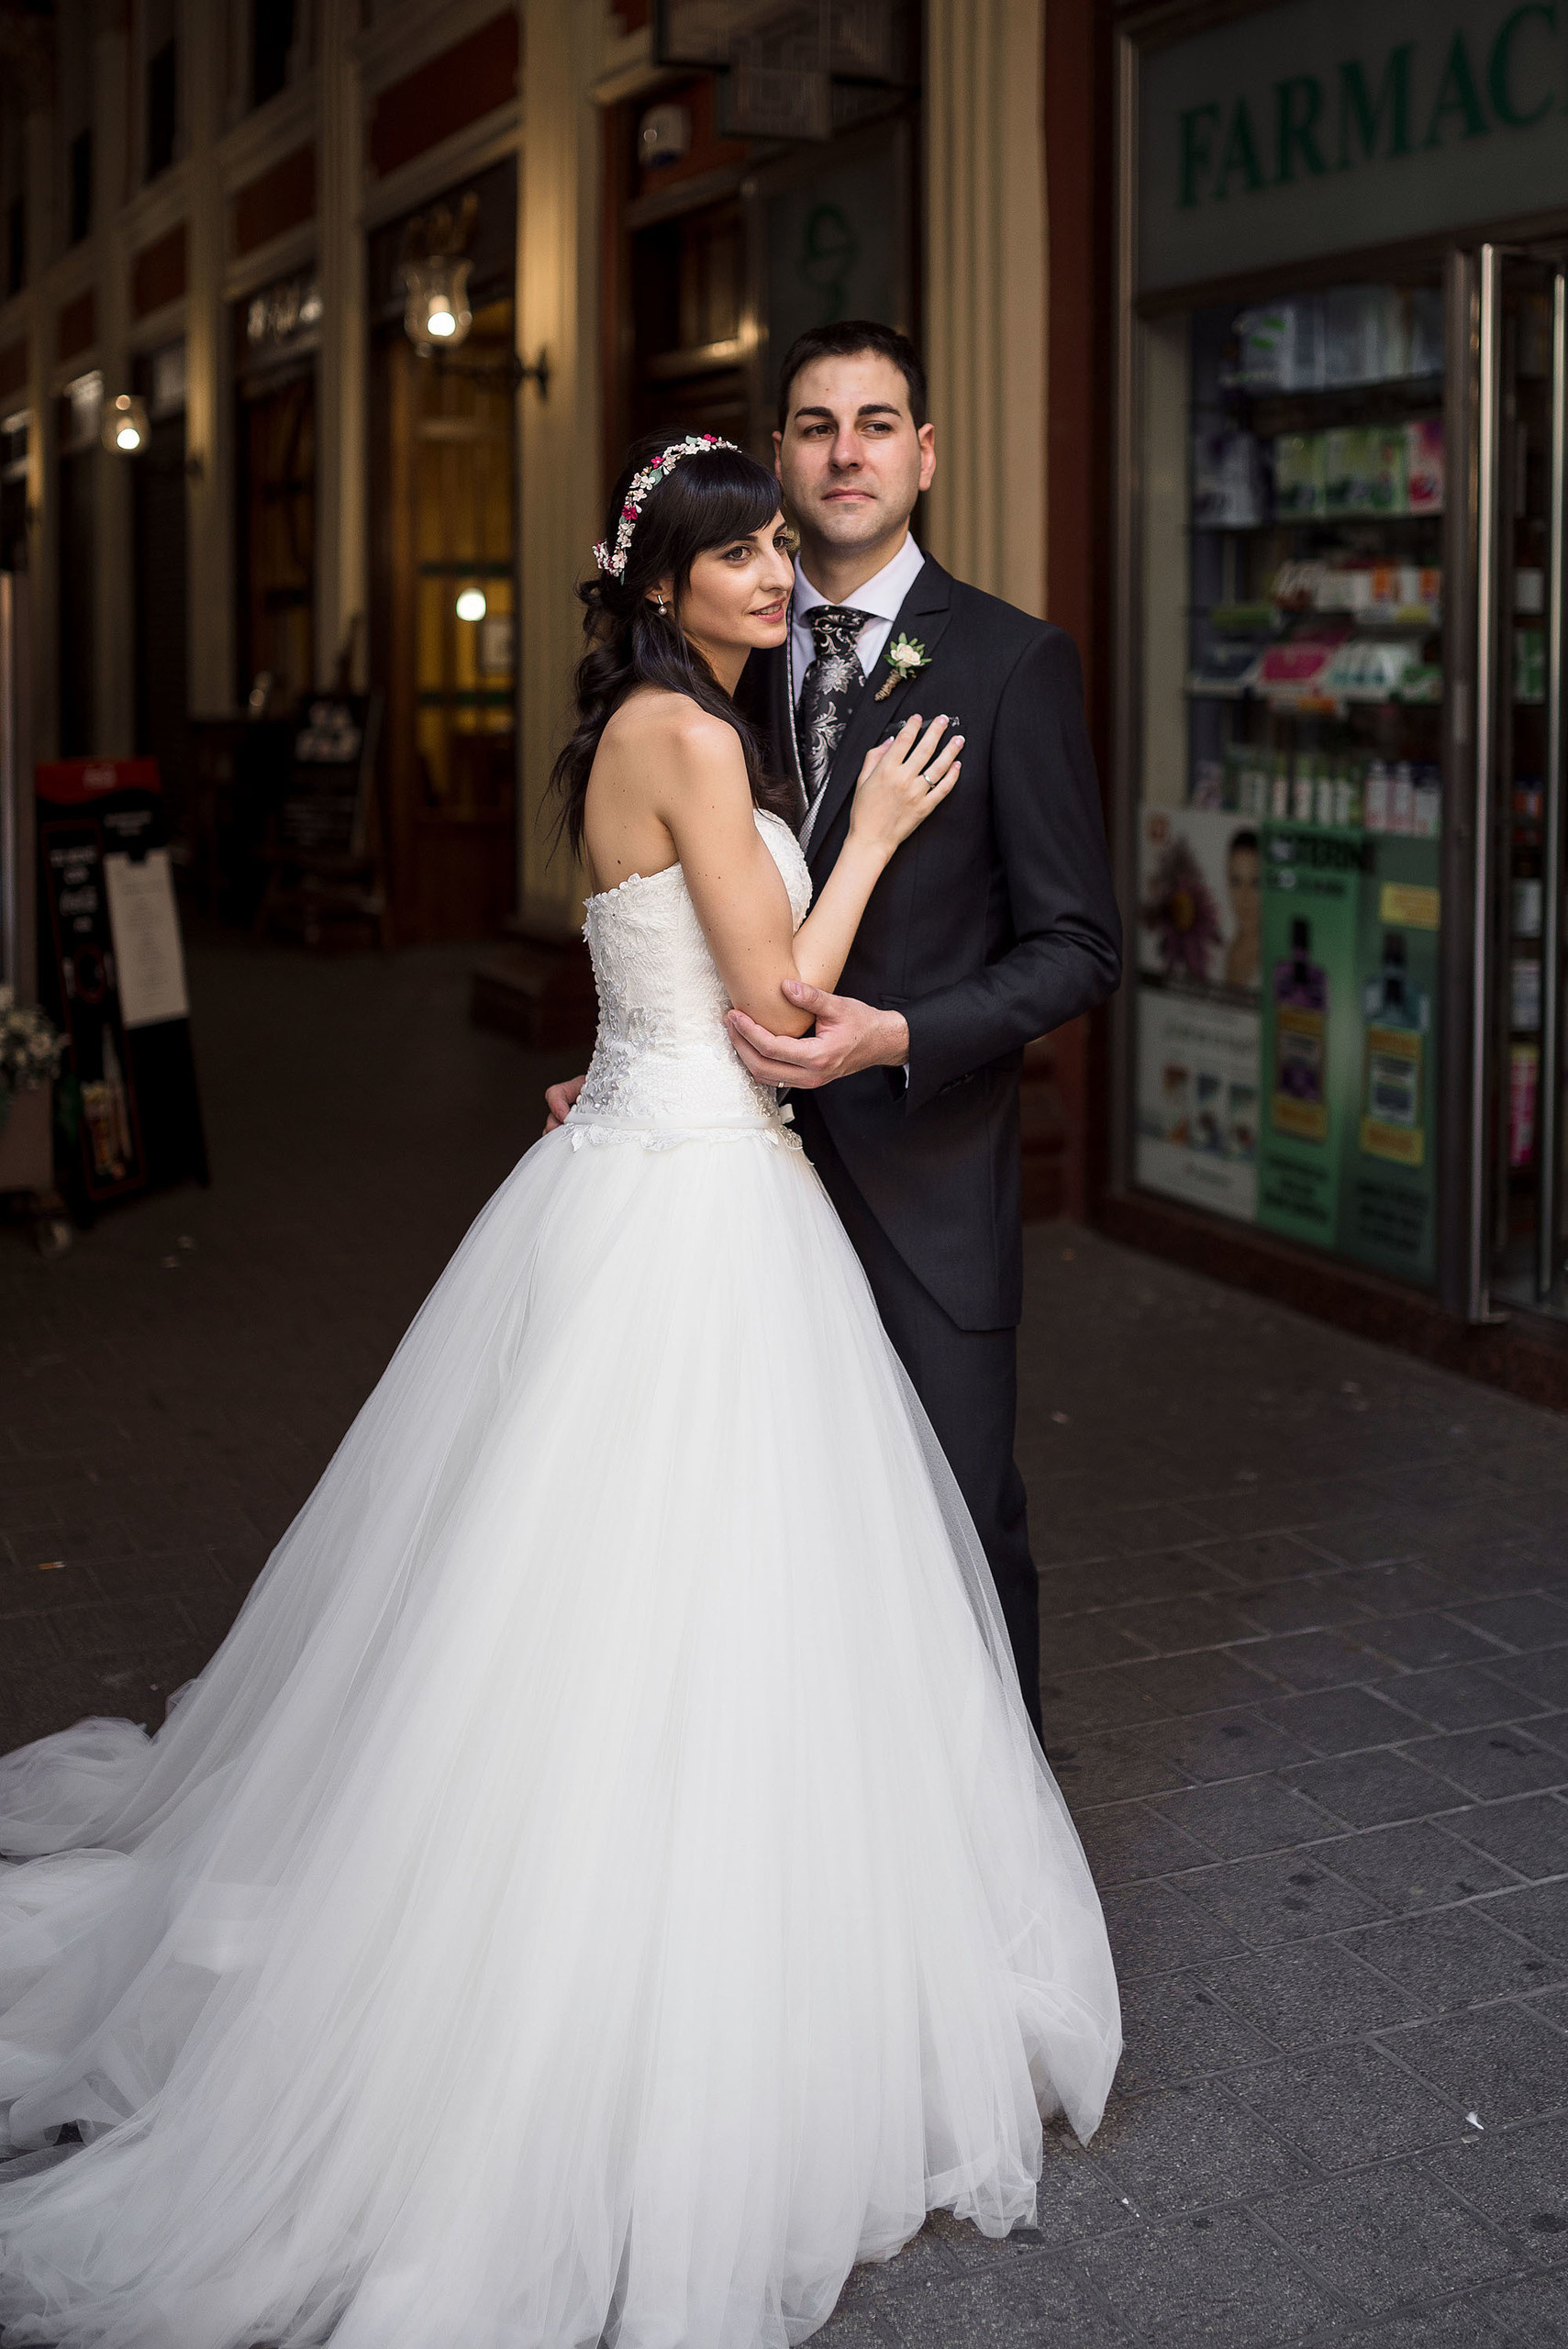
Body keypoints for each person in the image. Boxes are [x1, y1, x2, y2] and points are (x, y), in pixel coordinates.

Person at [0, 436, 1120, 2349]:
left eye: (786, 545)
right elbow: (773, 1029)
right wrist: (867, 847)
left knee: (639, 1600)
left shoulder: (683, 724)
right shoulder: (686, 740)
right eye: (743, 551)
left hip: (656, 1170)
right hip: (695, 1201)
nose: (780, 571)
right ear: (663, 583)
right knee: (664, 1598)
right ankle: (634, 1993)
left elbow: (658, 991)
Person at [550, 323, 1122, 1737]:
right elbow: (684, 895)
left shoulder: (1007, 663)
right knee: (739, 1549)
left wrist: (900, 1033)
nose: (846, 450)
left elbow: (1078, 947)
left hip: (922, 1183)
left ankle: (997, 1844)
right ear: (781, 455)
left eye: (877, 423)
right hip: (721, 1192)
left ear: (923, 455)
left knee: (950, 1527)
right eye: (815, 425)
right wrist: (640, 1058)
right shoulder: (720, 656)